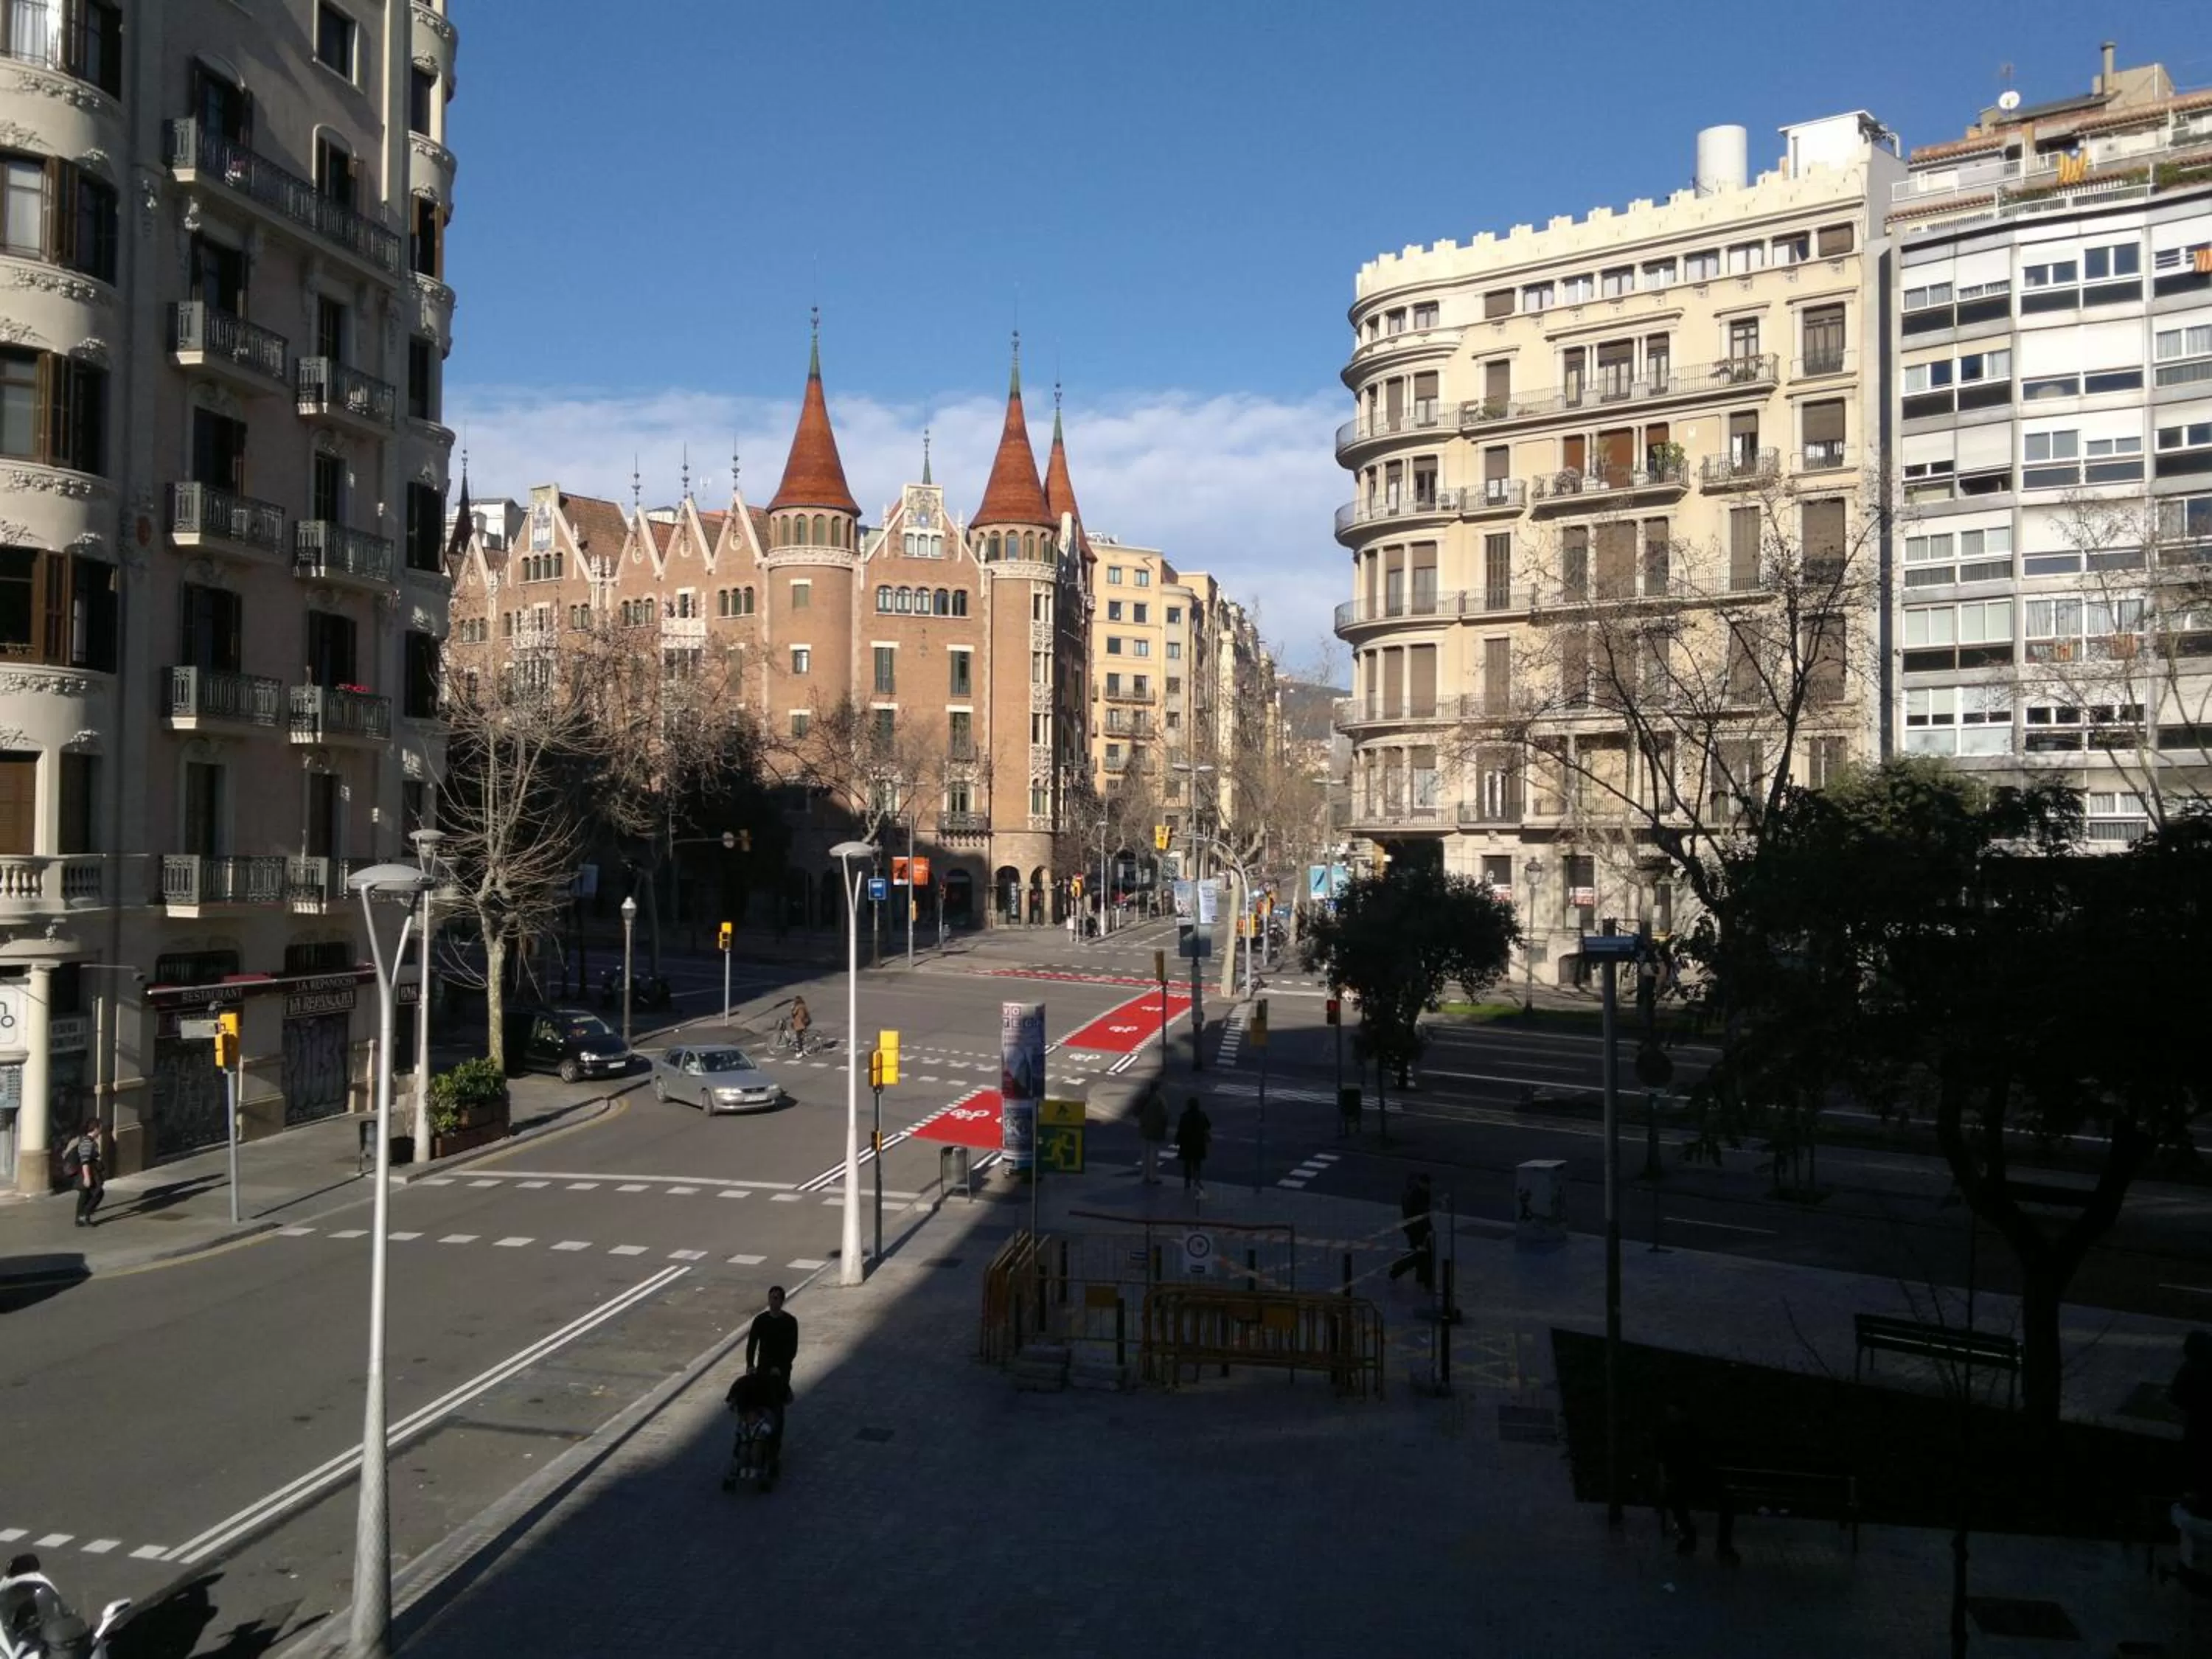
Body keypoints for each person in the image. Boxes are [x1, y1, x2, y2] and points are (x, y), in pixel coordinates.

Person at [1655, 1399, 1736, 1562]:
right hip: (1686, 1479)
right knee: (1675, 1498)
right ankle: (1693, 1537)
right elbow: (1662, 1460)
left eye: (1674, 1413)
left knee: (1727, 1502)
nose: (1672, 1417)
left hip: (1702, 1477)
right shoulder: (1669, 1433)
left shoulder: (1694, 1430)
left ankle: (1721, 1544)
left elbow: (1708, 1456)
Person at [744, 1285, 799, 1482]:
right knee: (758, 1405)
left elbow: (792, 1349)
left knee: (777, 1410)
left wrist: (781, 1368)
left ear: (782, 1301)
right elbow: (752, 1344)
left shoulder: (790, 1322)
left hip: (780, 1372)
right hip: (763, 1370)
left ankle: (774, 1453)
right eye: (771, 1298)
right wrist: (750, 1365)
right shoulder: (761, 1321)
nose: (773, 1301)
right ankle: (756, 1444)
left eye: (776, 1298)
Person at [2171, 1330, 2212, 1509]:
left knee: (2197, 1462)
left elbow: (2177, 1398)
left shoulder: (2188, 1371)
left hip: (2197, 1426)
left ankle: (2197, 1497)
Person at [1388, 1171, 1434, 1290]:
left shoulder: (1420, 1194)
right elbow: (1416, 1214)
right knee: (1421, 1255)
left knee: (1421, 1254)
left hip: (1418, 1229)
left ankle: (1422, 1277)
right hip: (1416, 1230)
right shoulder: (1414, 1196)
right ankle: (1399, 1270)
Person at [62, 1120, 103, 1228]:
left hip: (86, 1171)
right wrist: (87, 1177)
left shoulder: (88, 1141)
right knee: (98, 1193)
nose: (100, 1131)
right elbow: (85, 1161)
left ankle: (79, 1218)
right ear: (95, 1129)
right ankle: (85, 1215)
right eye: (100, 1128)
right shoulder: (87, 1142)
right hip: (86, 1171)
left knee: (85, 1194)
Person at [1175, 1097, 1211, 1195]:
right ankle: (1197, 1181)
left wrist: (1177, 1140)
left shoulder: (1184, 1116)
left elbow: (1180, 1129)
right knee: (1197, 1164)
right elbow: (1208, 1126)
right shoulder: (1202, 1115)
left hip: (1187, 1144)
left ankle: (1187, 1182)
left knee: (1187, 1164)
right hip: (1198, 1144)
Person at [1135, 1084, 1169, 1185]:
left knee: (1145, 1153)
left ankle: (1145, 1175)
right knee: (1154, 1153)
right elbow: (1164, 1115)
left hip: (1145, 1127)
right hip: (1156, 1129)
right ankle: (1153, 1176)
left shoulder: (1144, 1098)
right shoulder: (1160, 1100)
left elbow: (1137, 1111)